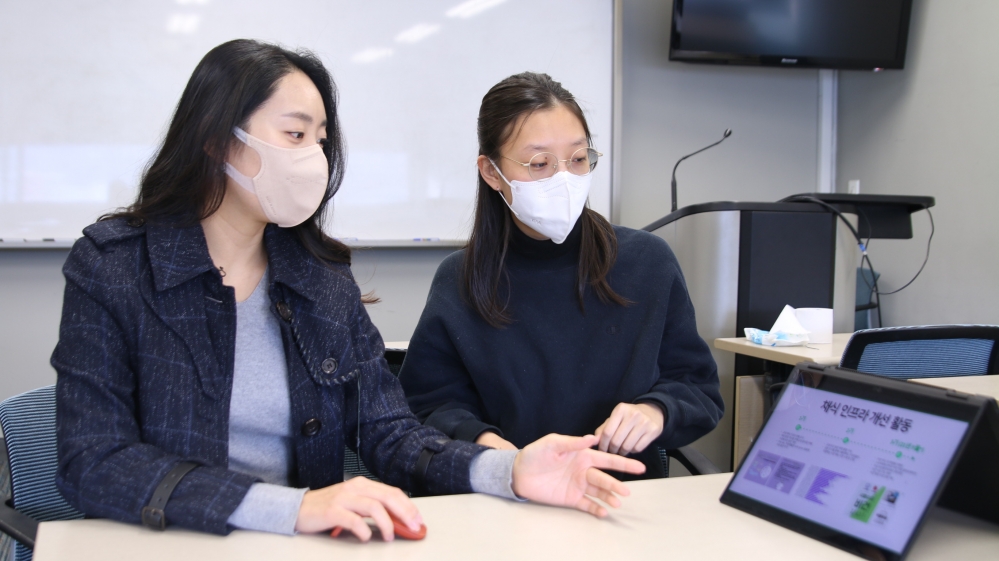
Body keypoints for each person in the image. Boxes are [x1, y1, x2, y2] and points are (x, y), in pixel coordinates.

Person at [52, 41, 644, 542]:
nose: (314, 157)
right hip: (165, 542)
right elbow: (94, 461)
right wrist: (292, 508)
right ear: (217, 141)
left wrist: (509, 470)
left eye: (321, 138)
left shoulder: (320, 277)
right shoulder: (113, 267)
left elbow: (389, 431)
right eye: (294, 134)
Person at [398, 72, 724, 478]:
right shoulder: (462, 279)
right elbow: (427, 404)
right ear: (491, 172)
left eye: (578, 159)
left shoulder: (647, 263)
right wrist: (489, 448)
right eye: (539, 163)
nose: (564, 179)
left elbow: (697, 388)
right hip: (509, 498)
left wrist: (655, 411)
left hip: (623, 498)